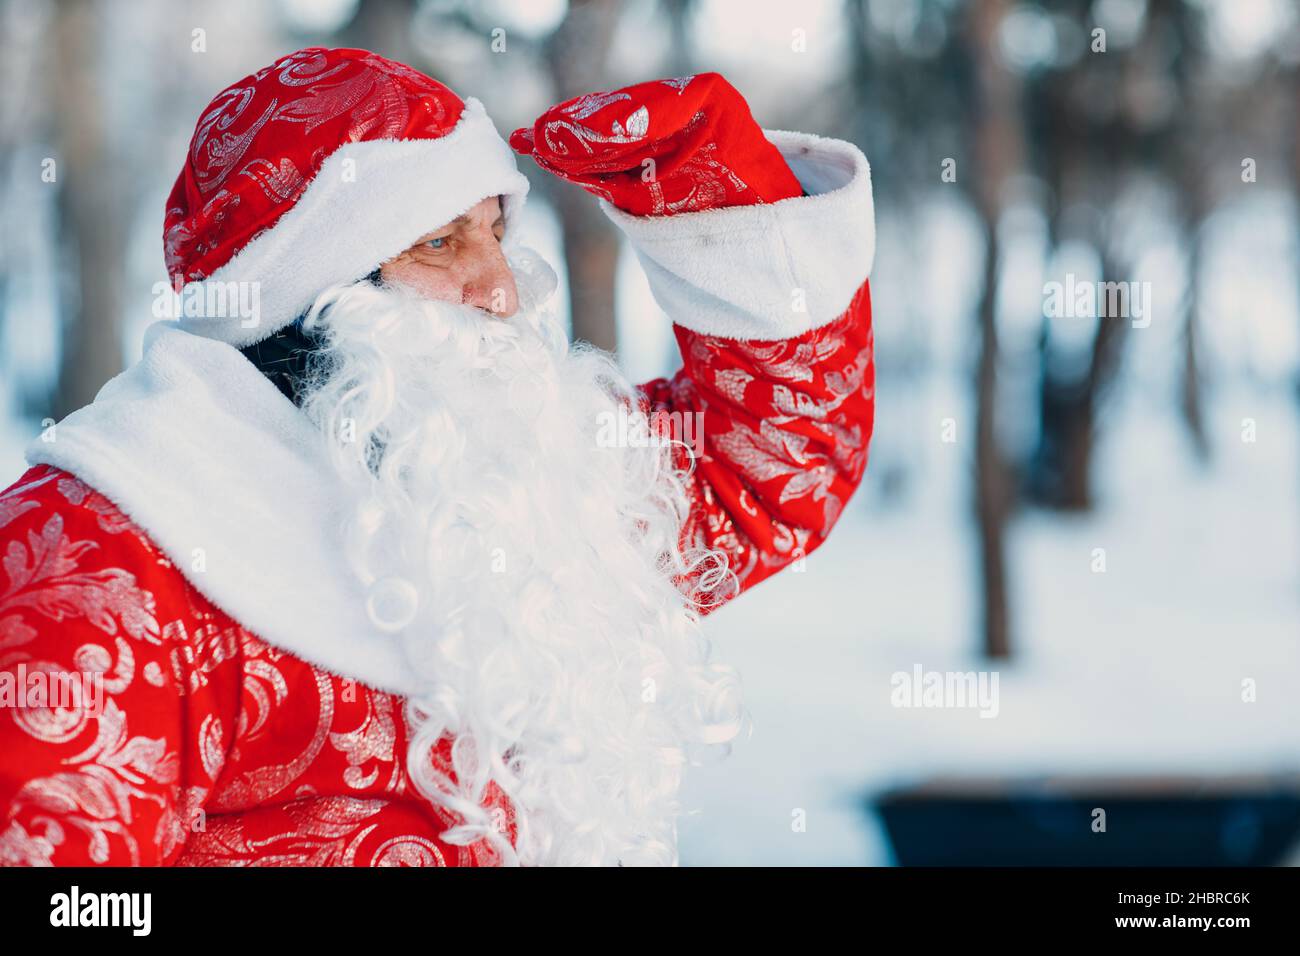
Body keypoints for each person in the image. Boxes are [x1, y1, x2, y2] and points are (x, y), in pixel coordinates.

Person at [0, 46, 876, 867]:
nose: (501, 290)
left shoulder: (518, 479)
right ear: (304, 291)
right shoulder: (99, 560)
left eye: (496, 231)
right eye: (438, 242)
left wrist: (722, 203)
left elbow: (765, 477)